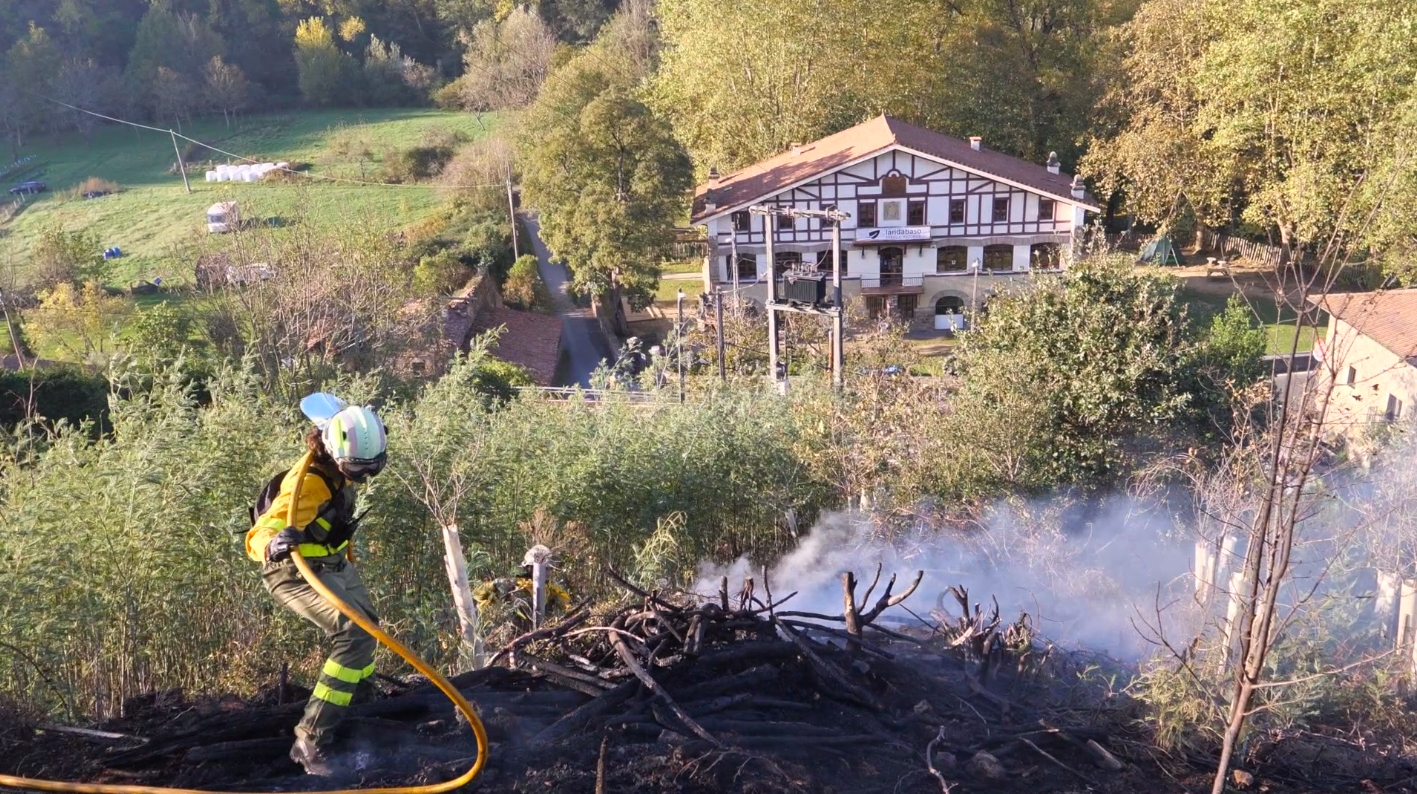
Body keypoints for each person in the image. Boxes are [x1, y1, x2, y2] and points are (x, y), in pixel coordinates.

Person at [246, 399, 388, 776]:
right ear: (334, 451)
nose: (365, 476)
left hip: (334, 564)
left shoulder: (338, 462)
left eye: (373, 468)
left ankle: (360, 706)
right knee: (354, 632)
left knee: (369, 626)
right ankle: (311, 739)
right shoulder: (307, 483)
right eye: (358, 468)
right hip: (295, 572)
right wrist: (271, 546)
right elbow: (261, 531)